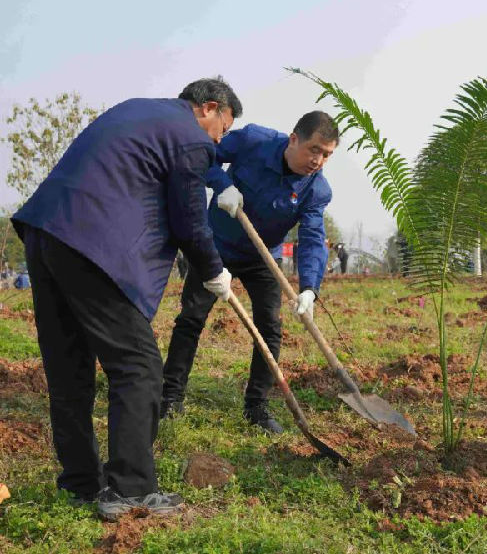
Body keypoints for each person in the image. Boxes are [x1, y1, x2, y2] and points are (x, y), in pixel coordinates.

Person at [12, 78, 240, 520]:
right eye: (223, 128)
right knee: (138, 367)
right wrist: (214, 272)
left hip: (45, 233)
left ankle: (79, 483)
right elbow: (190, 220)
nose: (219, 140)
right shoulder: (191, 136)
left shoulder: (141, 110)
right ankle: (132, 490)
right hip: (90, 244)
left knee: (69, 369)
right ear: (209, 108)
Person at [161, 111, 337, 433]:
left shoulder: (317, 190)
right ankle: (170, 397)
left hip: (261, 256)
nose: (318, 160)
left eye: (327, 154)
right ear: (293, 138)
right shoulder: (254, 140)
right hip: (216, 246)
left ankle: (256, 406)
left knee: (270, 328)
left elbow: (312, 237)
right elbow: (206, 157)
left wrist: (310, 287)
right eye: (314, 149)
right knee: (192, 317)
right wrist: (222, 183)